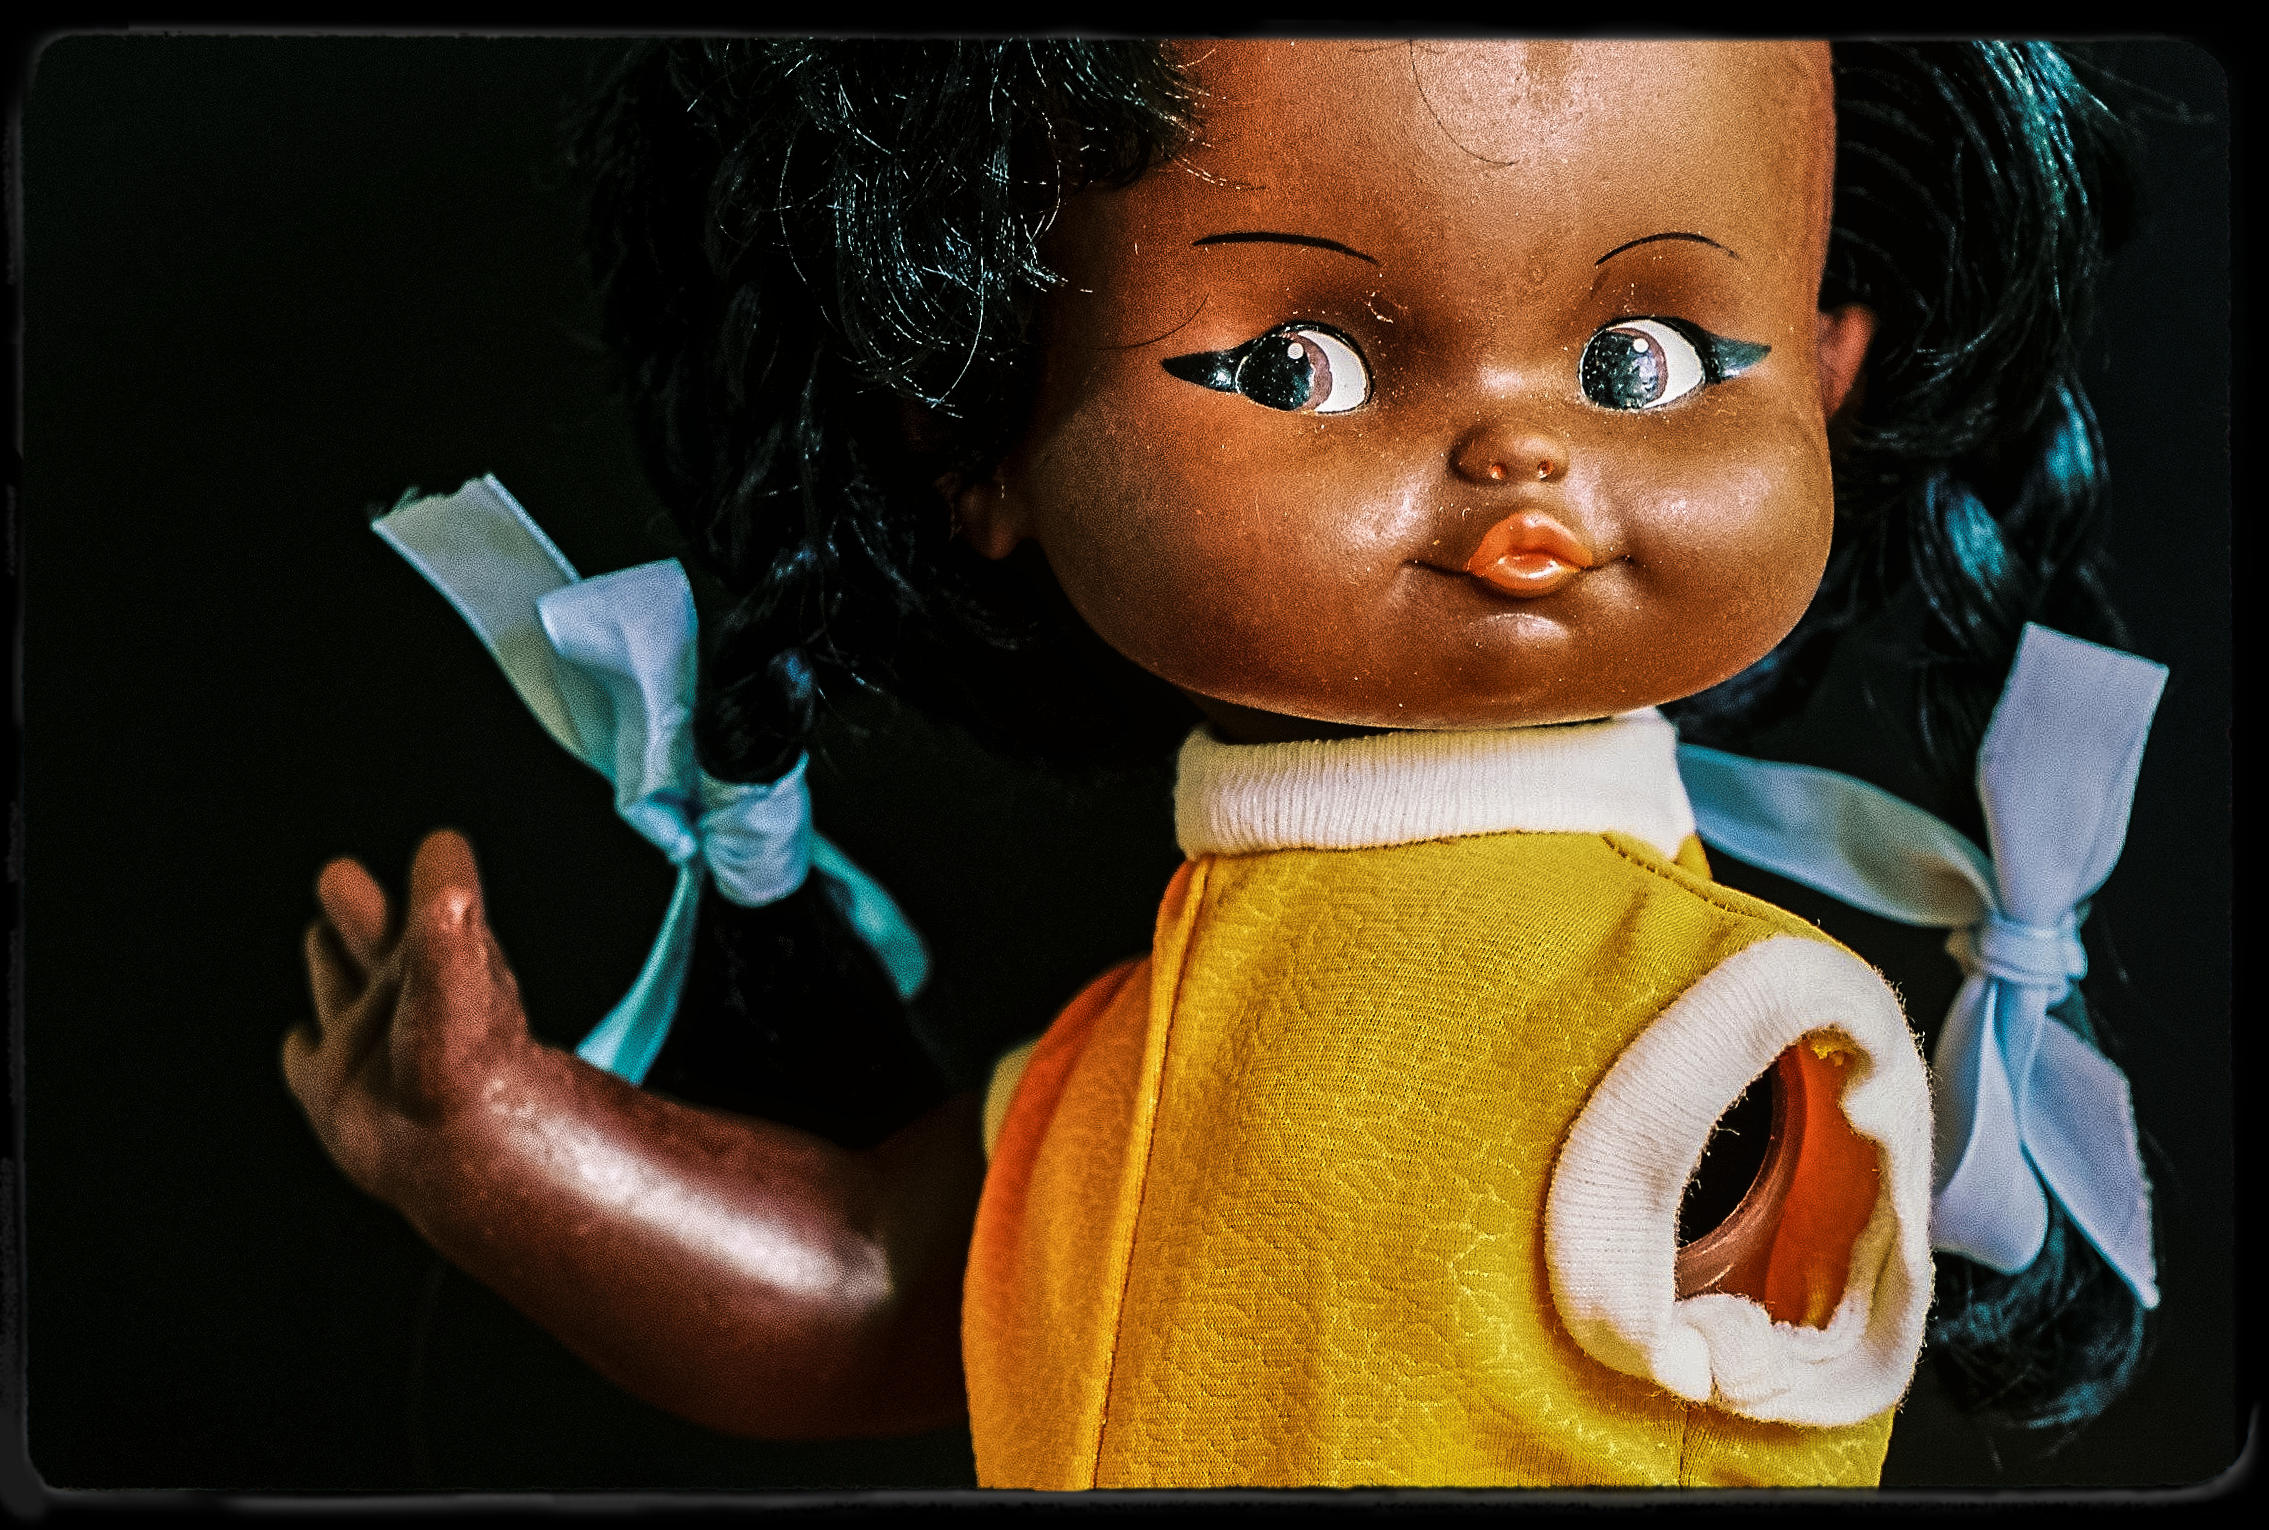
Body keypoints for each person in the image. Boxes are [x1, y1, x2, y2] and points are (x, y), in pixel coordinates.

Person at [282, 39, 2147, 1487]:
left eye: (1643, 361)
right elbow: (873, 1288)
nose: (1522, 457)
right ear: (982, 434)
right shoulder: (1145, 1035)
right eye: (1298, 368)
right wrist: (504, 1146)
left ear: (1822, 367)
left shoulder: (1722, 1029)